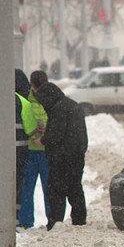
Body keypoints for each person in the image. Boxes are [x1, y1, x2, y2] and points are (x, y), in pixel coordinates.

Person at [34, 82, 88, 231]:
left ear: (47, 98)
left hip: (61, 158)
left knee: (56, 190)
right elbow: (67, 129)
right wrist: (49, 129)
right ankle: (79, 220)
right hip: (76, 155)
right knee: (74, 188)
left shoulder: (58, 109)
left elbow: (57, 134)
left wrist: (42, 140)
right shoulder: (71, 105)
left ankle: (55, 222)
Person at [18, 70, 51, 229]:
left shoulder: (27, 100)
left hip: (34, 149)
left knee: (28, 188)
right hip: (43, 151)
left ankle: (26, 221)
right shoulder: (50, 101)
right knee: (46, 187)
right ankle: (51, 220)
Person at [15, 70, 37, 225]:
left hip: (5, 152)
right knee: (19, 185)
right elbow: (31, 130)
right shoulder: (23, 102)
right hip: (21, 150)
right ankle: (16, 219)